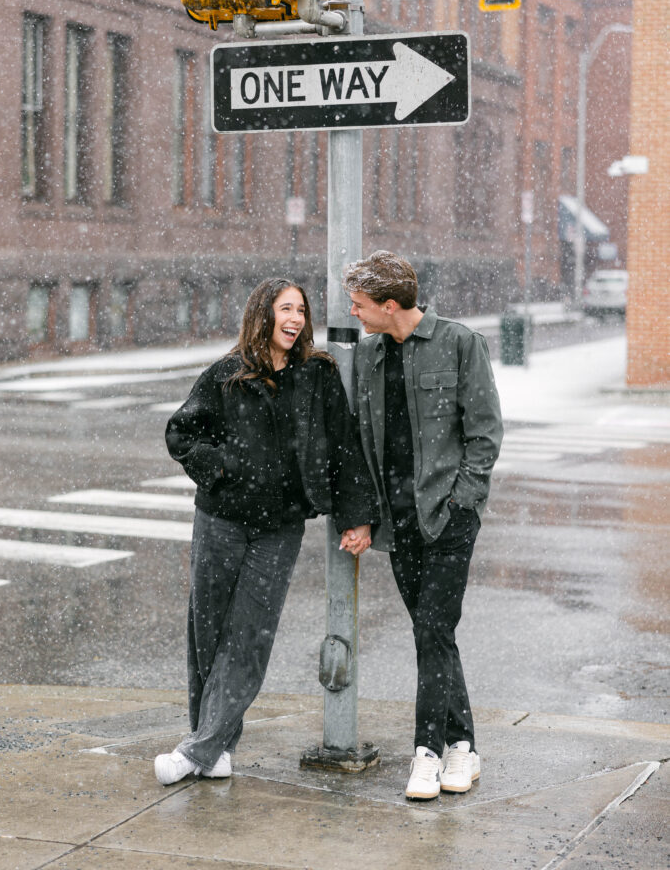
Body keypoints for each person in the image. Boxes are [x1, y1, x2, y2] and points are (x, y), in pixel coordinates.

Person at [155, 277, 377, 785]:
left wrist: (355, 515)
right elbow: (181, 431)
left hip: (279, 528)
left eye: (301, 310)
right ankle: (215, 745)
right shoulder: (228, 374)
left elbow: (343, 447)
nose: (296, 319)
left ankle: (197, 750)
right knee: (207, 631)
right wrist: (221, 466)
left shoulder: (316, 376)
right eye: (286, 309)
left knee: (250, 636)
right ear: (264, 314)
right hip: (221, 520)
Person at [341, 251, 503, 800]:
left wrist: (464, 502)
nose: (356, 315)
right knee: (434, 633)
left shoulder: (459, 343)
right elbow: (360, 441)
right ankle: (464, 746)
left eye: (361, 306)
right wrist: (364, 514)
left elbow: (484, 433)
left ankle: (427, 753)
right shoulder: (367, 356)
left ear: (390, 305)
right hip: (398, 522)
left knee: (431, 629)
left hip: (449, 518)